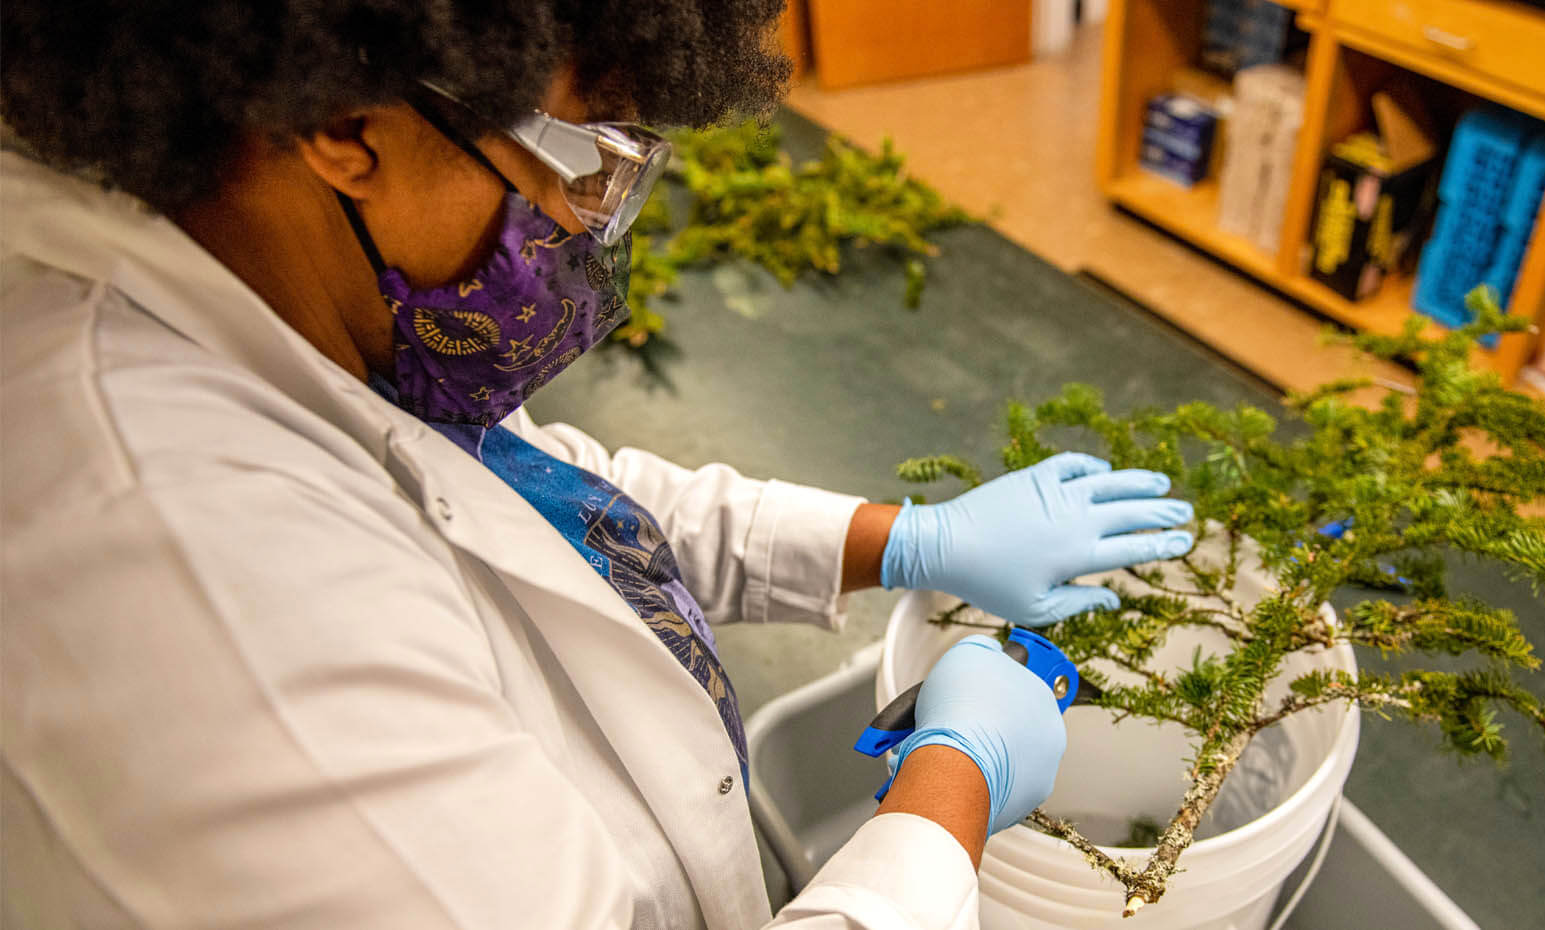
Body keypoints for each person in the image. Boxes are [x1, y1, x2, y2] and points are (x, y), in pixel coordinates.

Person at [0, 3, 1194, 927]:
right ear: (345, 128)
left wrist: (905, 541)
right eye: (586, 162)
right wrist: (953, 792)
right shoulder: (195, 590)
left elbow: (510, 498)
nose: (581, 225)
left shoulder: (261, 277)